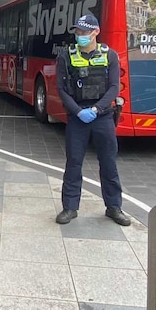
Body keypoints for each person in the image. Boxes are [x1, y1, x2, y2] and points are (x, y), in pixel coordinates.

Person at [54, 14, 130, 227]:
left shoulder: (110, 55)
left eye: (84, 32)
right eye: (77, 32)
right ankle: (70, 207)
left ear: (96, 32)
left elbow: (114, 87)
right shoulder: (65, 56)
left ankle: (114, 207)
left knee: (108, 163)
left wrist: (98, 109)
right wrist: (78, 111)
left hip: (102, 116)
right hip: (77, 117)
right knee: (74, 163)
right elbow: (60, 88)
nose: (80, 36)